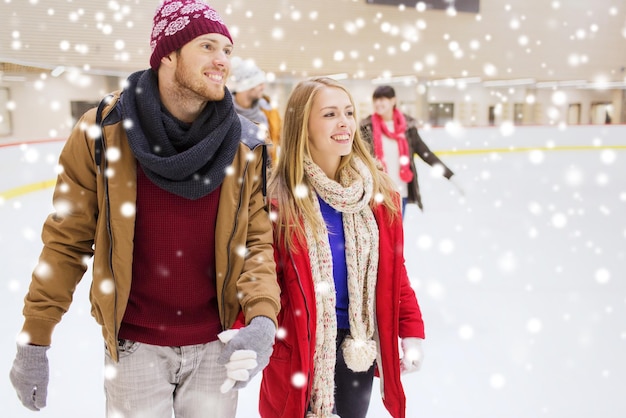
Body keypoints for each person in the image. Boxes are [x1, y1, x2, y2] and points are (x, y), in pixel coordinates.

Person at [9, 1, 280, 417]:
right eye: (208, 46)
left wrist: (262, 317)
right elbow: (67, 240)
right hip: (134, 346)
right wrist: (35, 339)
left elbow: (256, 241)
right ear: (167, 54)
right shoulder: (103, 131)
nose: (222, 61)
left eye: (227, 49)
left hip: (216, 345)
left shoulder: (244, 144)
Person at [260, 77, 426, 418]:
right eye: (330, 114)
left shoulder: (377, 195)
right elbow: (260, 279)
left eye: (349, 113)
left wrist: (410, 329)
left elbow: (395, 271)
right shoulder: (279, 202)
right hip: (298, 348)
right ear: (302, 126)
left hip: (356, 348)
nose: (345, 123)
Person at [360, 85, 462, 216]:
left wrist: (450, 176)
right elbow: (359, 158)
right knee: (378, 235)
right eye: (375, 100)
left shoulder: (407, 129)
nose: (378, 103)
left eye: (382, 99)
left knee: (396, 235)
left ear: (393, 101)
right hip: (377, 192)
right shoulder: (366, 128)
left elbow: (427, 155)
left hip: (400, 192)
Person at [228, 56, 282, 163]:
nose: (263, 87)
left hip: (265, 174)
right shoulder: (224, 111)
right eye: (259, 83)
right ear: (247, 86)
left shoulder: (269, 111)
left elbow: (281, 140)